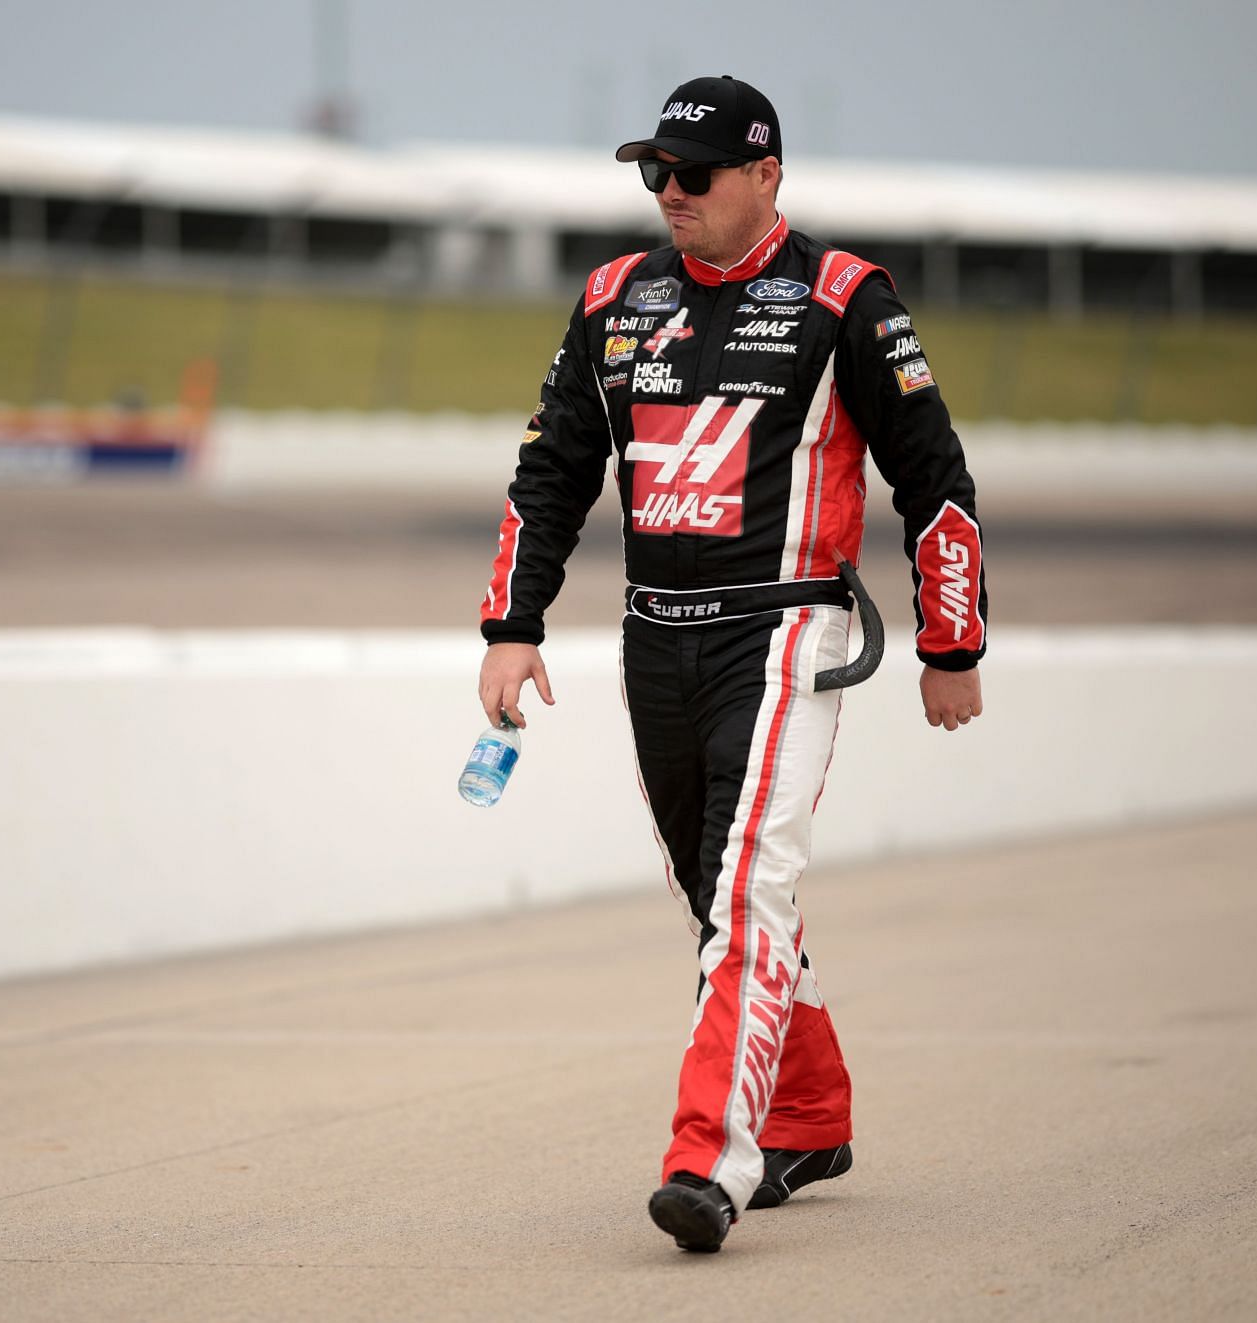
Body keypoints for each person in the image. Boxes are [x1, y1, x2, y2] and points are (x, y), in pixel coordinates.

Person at [475, 75, 988, 1253]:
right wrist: (514, 626)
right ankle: (810, 1113)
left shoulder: (848, 297)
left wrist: (951, 644)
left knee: (750, 890)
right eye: (656, 172)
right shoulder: (612, 297)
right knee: (713, 894)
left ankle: (711, 1159)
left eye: (693, 175)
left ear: (766, 176)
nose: (671, 195)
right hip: (653, 637)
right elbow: (551, 470)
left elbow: (935, 480)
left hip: (789, 629)